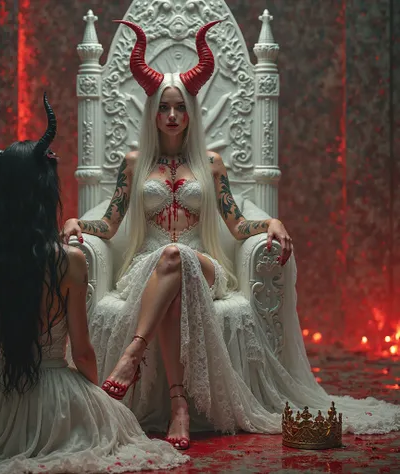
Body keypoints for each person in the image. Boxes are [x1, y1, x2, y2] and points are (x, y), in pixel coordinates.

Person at [62, 21, 400, 449]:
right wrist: (77, 223)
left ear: (191, 113)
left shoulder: (211, 163)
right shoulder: (133, 163)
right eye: (164, 108)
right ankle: (179, 405)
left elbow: (237, 224)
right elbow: (110, 223)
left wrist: (272, 223)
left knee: (178, 257)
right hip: (147, 268)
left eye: (179, 108)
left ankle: (133, 353)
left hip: (202, 265)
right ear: (153, 114)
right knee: (170, 270)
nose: (171, 116)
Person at [0, 94, 188, 473]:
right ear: (46, 191)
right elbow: (82, 352)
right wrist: (97, 399)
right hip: (57, 395)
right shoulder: (69, 260)